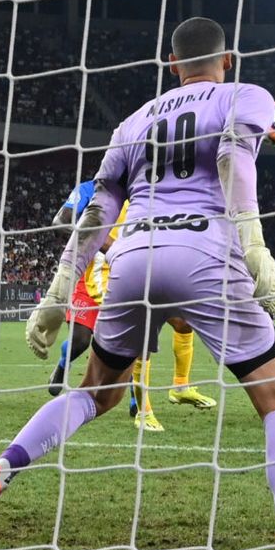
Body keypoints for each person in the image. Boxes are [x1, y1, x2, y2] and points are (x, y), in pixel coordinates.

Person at [0, 17, 275, 550]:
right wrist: (256, 249)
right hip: (206, 254)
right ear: (227, 59)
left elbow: (98, 208)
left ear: (171, 66)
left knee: (96, 392)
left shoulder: (133, 121)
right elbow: (235, 160)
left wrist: (57, 294)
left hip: (132, 260)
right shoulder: (246, 95)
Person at [48, 184, 216, 431]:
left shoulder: (152, 190)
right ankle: (141, 407)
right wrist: (107, 242)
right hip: (100, 273)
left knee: (182, 322)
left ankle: (179, 386)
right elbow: (60, 222)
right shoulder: (89, 188)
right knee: (95, 338)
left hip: (141, 267)